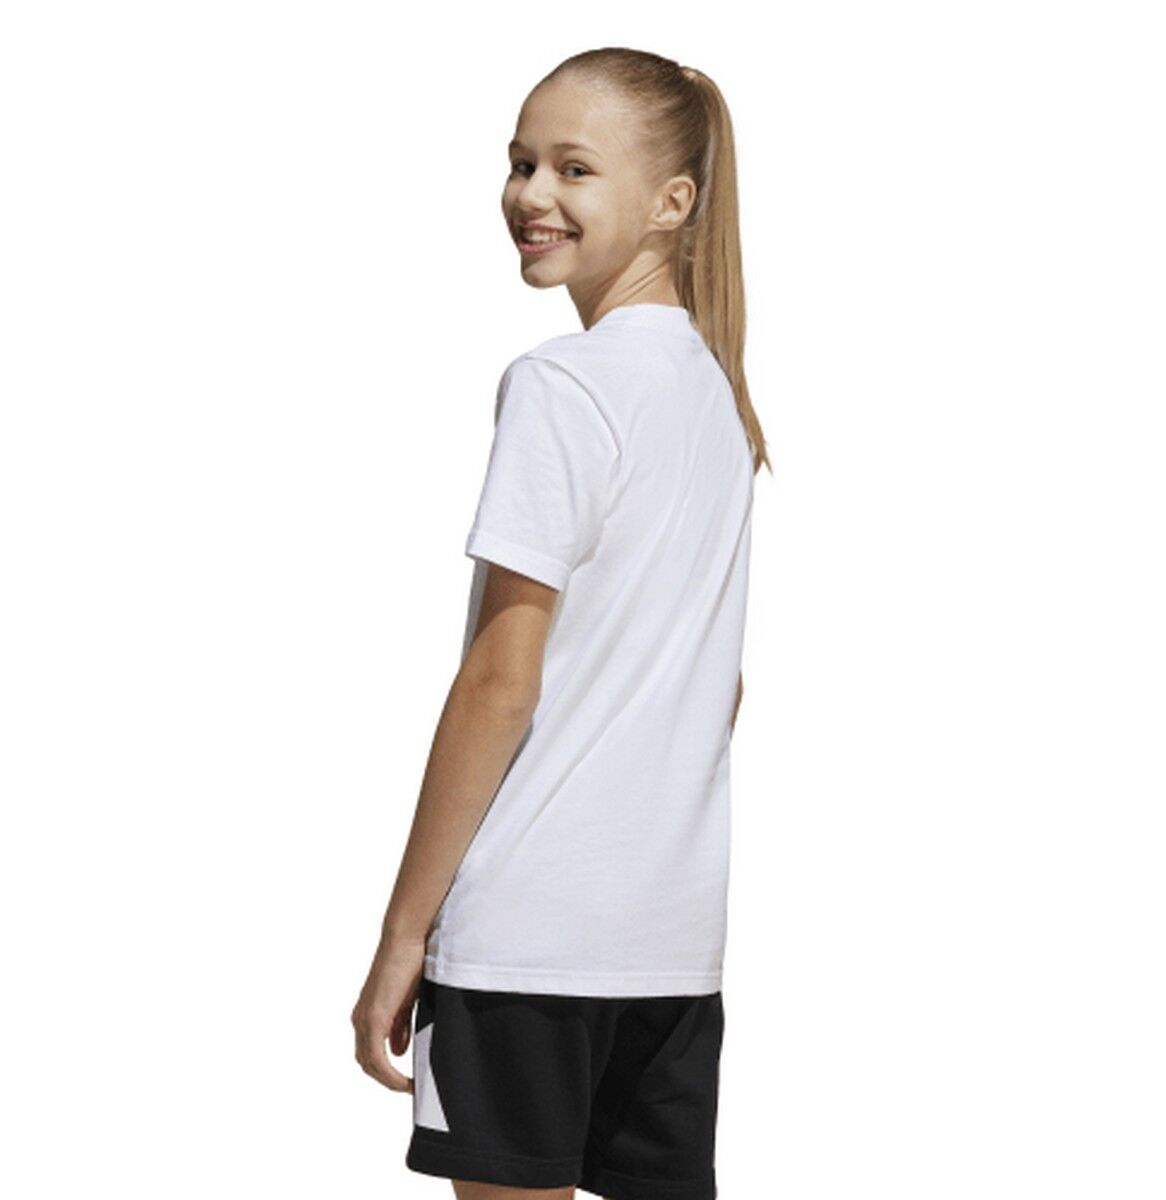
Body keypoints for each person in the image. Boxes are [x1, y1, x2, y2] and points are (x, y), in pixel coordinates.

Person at [351, 46, 771, 1200]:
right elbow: (719, 690)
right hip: (670, 947)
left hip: (526, 942)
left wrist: (404, 935)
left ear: (672, 203)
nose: (531, 193)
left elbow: (501, 682)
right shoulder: (719, 399)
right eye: (521, 162)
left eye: (574, 169)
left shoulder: (564, 385)